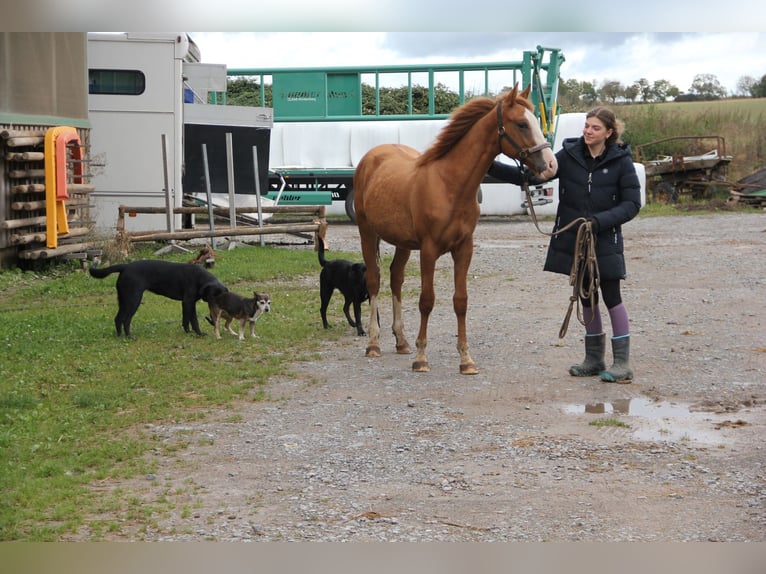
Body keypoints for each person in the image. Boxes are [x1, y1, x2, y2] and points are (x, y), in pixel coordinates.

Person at [488, 106, 641, 383]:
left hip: (604, 238)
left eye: (595, 127)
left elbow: (632, 204)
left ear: (609, 133)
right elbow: (537, 175)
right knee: (586, 295)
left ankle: (622, 363)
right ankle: (594, 359)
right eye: (586, 125)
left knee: (611, 295)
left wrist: (599, 222)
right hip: (575, 240)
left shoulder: (621, 162)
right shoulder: (570, 155)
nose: (588, 131)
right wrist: (490, 165)